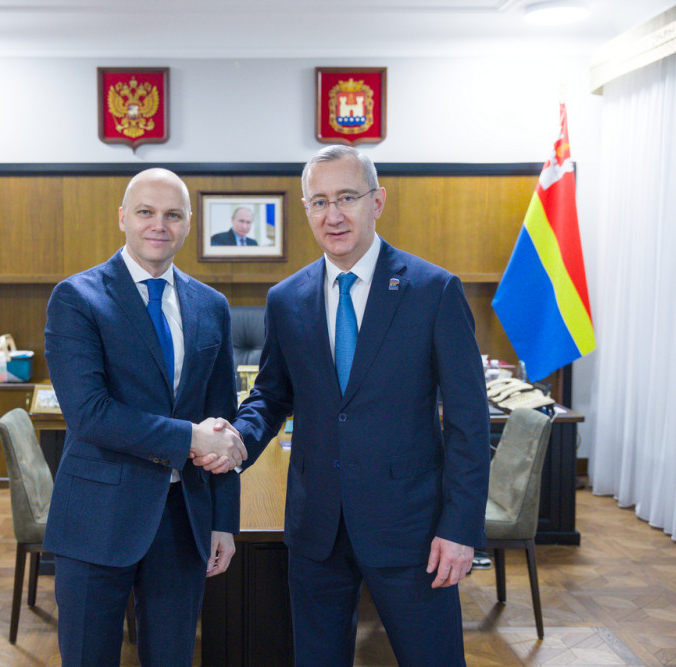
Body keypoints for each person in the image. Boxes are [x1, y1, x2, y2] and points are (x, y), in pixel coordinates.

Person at [202, 146, 490, 666]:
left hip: (412, 530)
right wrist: (239, 438)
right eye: (319, 202)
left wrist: (460, 527)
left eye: (347, 198)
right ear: (306, 210)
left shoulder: (433, 291)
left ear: (377, 201)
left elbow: (469, 421)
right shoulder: (286, 299)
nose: (332, 215)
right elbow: (272, 394)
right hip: (317, 528)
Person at [43, 167, 247, 666]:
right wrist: (190, 438)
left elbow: (222, 419)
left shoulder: (211, 306)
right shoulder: (77, 298)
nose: (160, 225)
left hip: (182, 520)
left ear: (189, 222)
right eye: (145, 212)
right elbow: (90, 414)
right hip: (96, 517)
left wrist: (224, 521)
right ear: (122, 218)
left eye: (173, 215)